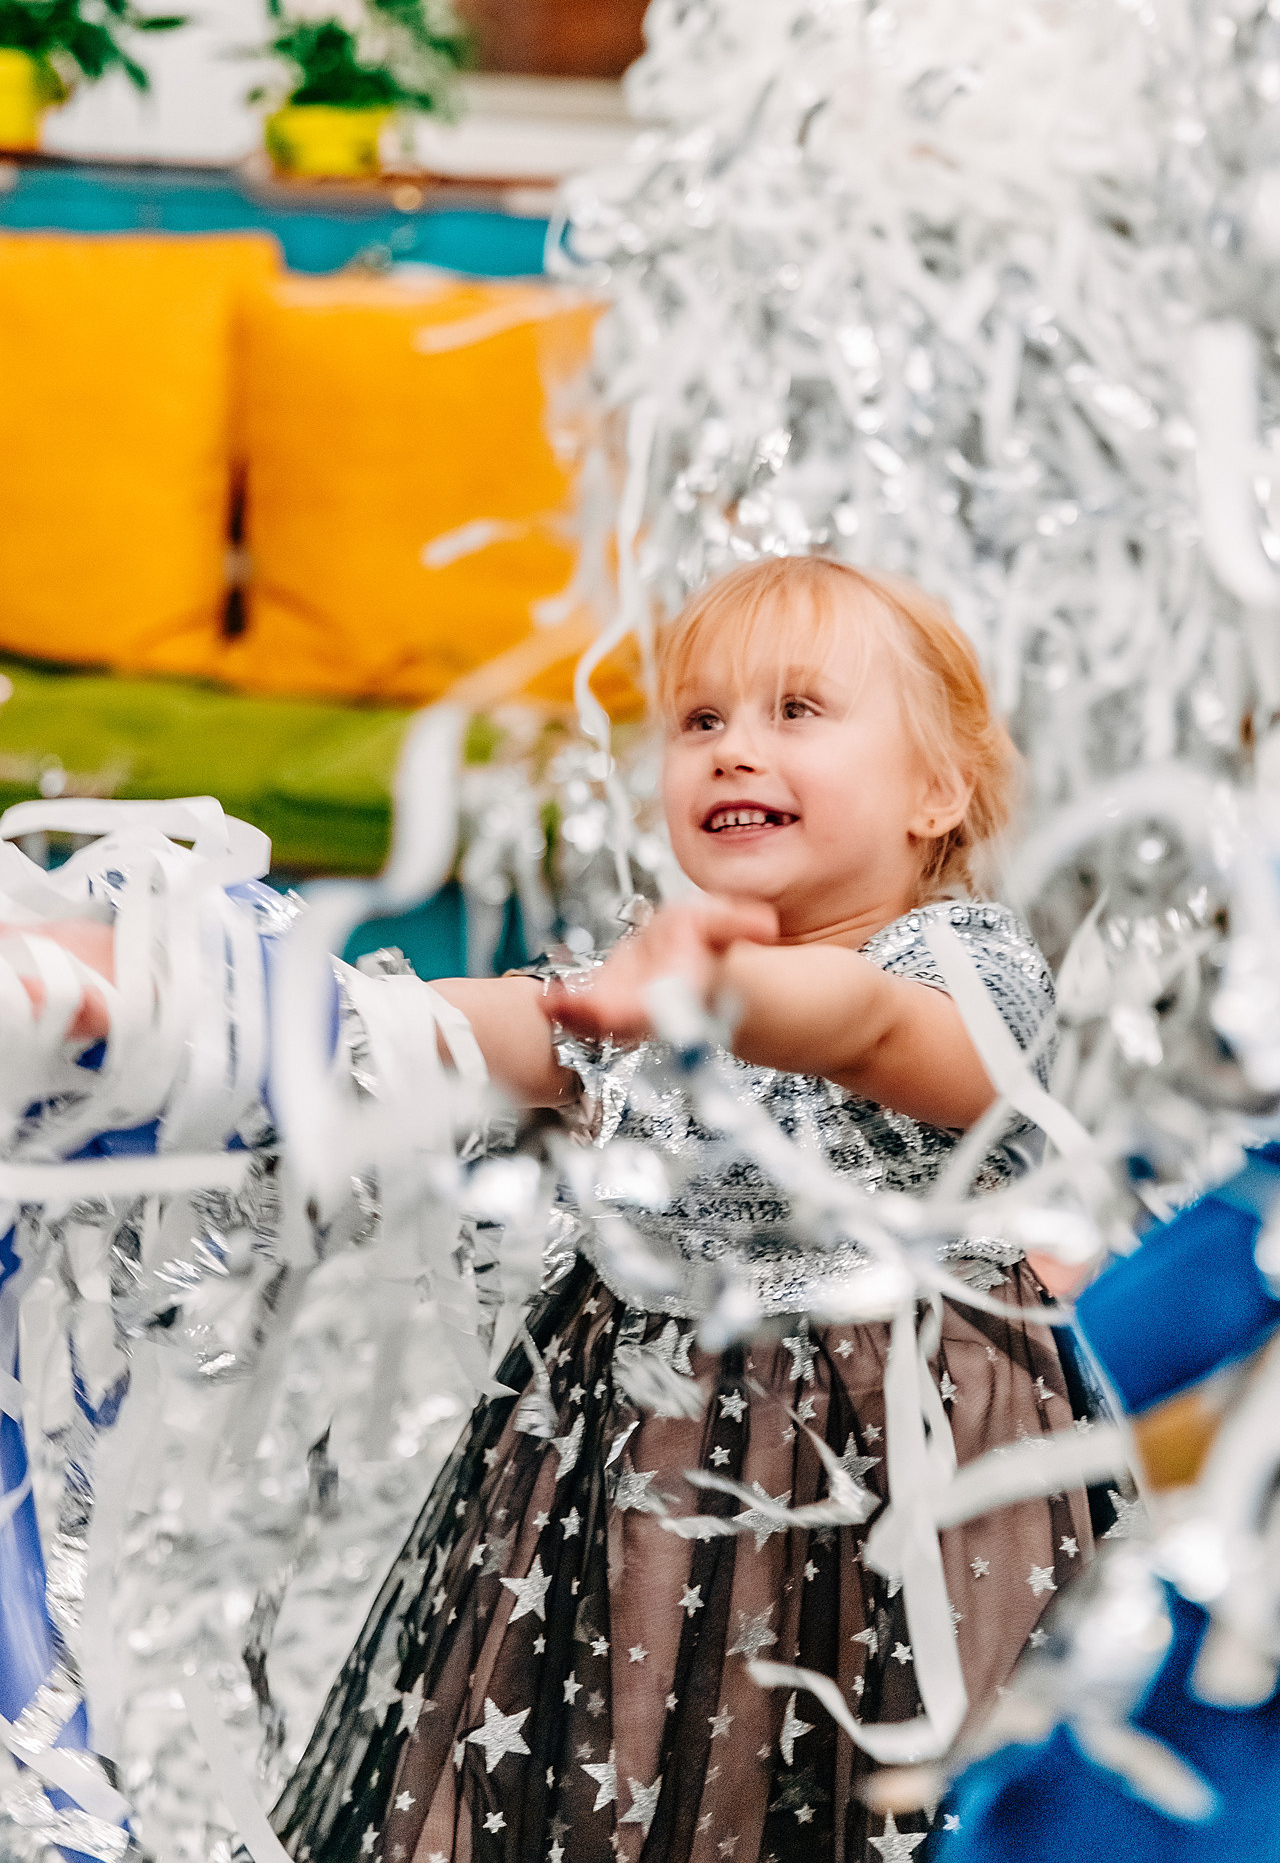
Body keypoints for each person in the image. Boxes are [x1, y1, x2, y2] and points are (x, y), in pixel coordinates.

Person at [20, 556, 1095, 1862]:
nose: (732, 749)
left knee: (887, 1802)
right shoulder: (639, 992)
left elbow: (865, 1026)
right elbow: (419, 1022)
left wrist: (725, 988)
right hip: (634, 1475)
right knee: (614, 1778)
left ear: (939, 790)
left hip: (898, 1485)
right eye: (700, 721)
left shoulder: (962, 968)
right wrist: (142, 983)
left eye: (797, 711)